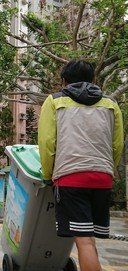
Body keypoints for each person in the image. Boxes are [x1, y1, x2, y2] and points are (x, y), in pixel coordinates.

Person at [38, 60, 124, 271]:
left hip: (71, 177)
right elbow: (117, 144)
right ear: (93, 80)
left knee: (83, 240)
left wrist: (48, 174)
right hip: (102, 178)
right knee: (88, 237)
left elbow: (47, 143)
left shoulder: (55, 101)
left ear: (64, 81)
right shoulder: (110, 104)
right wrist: (107, 171)